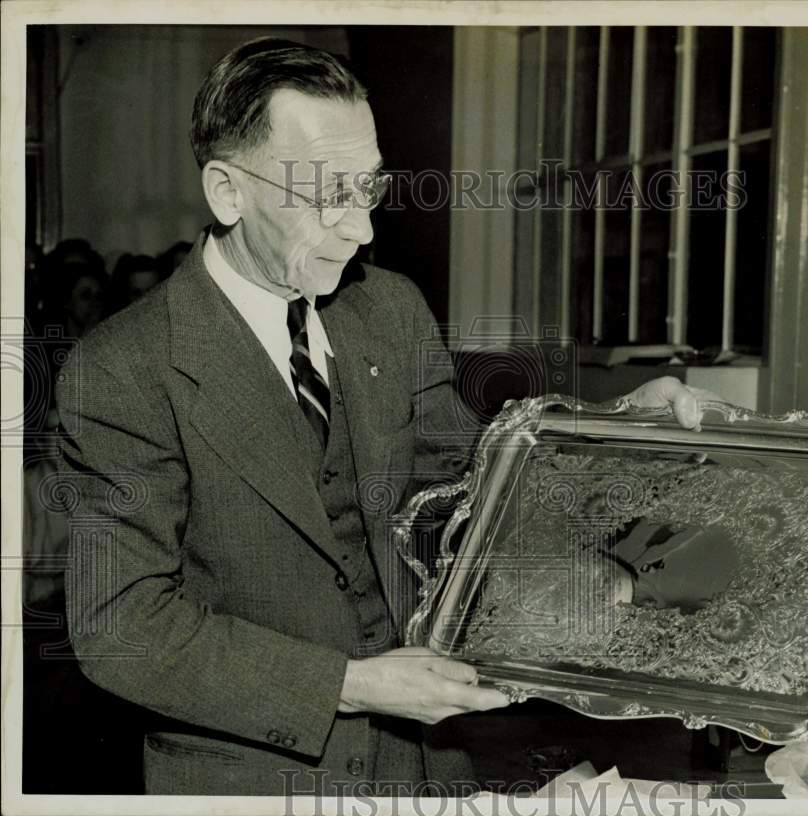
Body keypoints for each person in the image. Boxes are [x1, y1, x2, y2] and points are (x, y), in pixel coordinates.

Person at [56, 37, 710, 797]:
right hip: (255, 779)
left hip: (430, 766)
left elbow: (473, 490)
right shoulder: (122, 369)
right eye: (327, 195)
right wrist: (354, 683)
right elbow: (122, 630)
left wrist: (611, 432)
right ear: (228, 192)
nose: (361, 228)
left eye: (367, 189)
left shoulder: (387, 309)